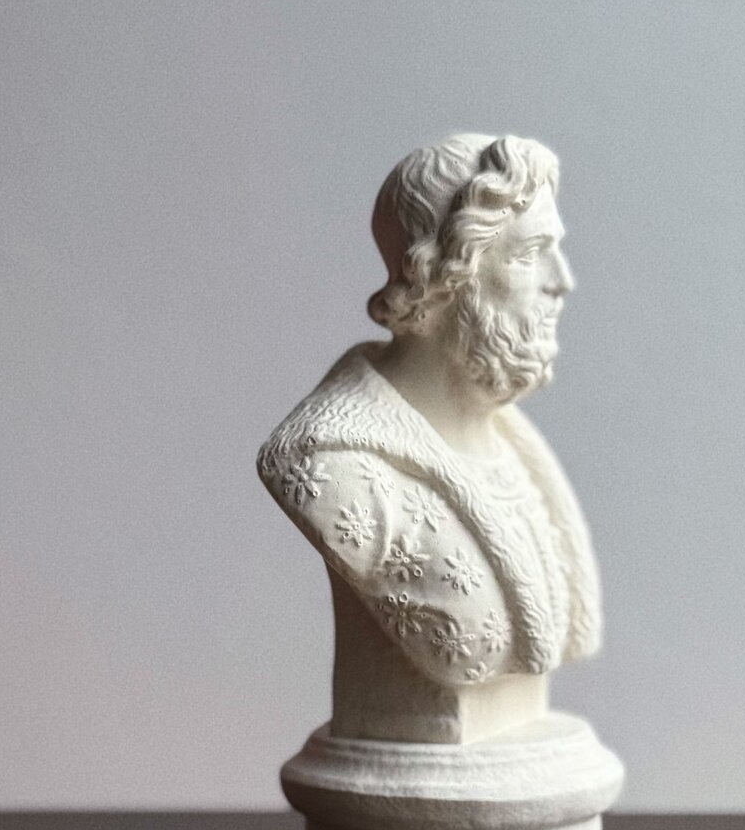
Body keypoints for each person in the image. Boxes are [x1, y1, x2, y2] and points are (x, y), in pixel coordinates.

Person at [258, 134, 602, 744]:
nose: (564, 282)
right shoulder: (330, 461)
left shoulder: (514, 445)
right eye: (531, 254)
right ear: (444, 278)